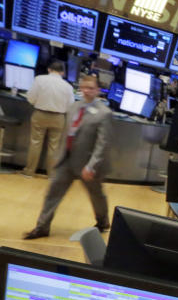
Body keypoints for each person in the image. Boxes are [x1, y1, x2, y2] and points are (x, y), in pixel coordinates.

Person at [24, 74, 113, 239]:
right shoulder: (73, 107)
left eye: (91, 88)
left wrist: (91, 166)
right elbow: (67, 133)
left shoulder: (104, 113)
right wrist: (59, 155)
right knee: (53, 192)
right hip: (67, 160)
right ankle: (42, 227)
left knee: (96, 195)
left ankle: (103, 221)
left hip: (88, 164)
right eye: (84, 87)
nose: (86, 91)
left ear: (98, 90)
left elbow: (102, 144)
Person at [21, 60, 75, 177]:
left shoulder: (39, 79)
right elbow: (70, 106)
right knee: (54, 147)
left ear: (49, 69)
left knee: (35, 143)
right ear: (62, 73)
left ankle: (29, 172)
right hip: (58, 118)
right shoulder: (68, 87)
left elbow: (30, 98)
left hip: (40, 114)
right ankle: (51, 174)